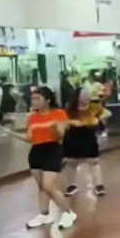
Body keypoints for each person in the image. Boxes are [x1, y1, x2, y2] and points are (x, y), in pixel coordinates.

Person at [19, 86, 77, 230]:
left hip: (52, 150)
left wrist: (54, 128)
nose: (34, 101)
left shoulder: (59, 113)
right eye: (33, 99)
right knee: (41, 186)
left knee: (48, 185)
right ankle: (44, 214)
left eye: (37, 98)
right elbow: (30, 138)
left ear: (48, 100)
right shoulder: (32, 117)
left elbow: (60, 136)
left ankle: (68, 213)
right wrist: (10, 133)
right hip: (36, 151)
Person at [62, 87, 111, 197]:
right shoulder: (70, 108)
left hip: (88, 136)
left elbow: (108, 113)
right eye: (84, 95)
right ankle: (72, 185)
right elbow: (63, 120)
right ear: (78, 96)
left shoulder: (94, 107)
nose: (87, 98)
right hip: (72, 137)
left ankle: (99, 185)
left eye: (88, 95)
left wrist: (100, 118)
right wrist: (73, 122)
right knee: (71, 162)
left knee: (94, 161)